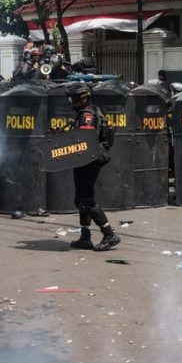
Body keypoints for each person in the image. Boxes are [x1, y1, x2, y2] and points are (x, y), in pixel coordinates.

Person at [65, 82, 120, 252]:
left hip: (87, 161)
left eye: (74, 99)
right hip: (85, 159)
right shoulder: (89, 111)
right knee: (81, 200)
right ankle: (85, 236)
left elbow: (84, 140)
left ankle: (109, 234)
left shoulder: (87, 115)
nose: (71, 102)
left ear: (83, 99)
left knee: (86, 200)